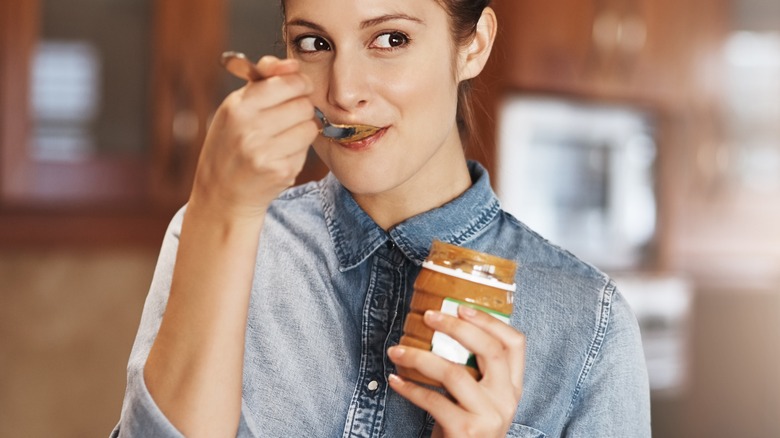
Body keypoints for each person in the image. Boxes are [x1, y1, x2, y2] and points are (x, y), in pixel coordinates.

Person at [111, 0, 651, 436]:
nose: (344, 93)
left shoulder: (590, 323)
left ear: (474, 45)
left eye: (390, 39)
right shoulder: (213, 233)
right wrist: (223, 206)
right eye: (315, 43)